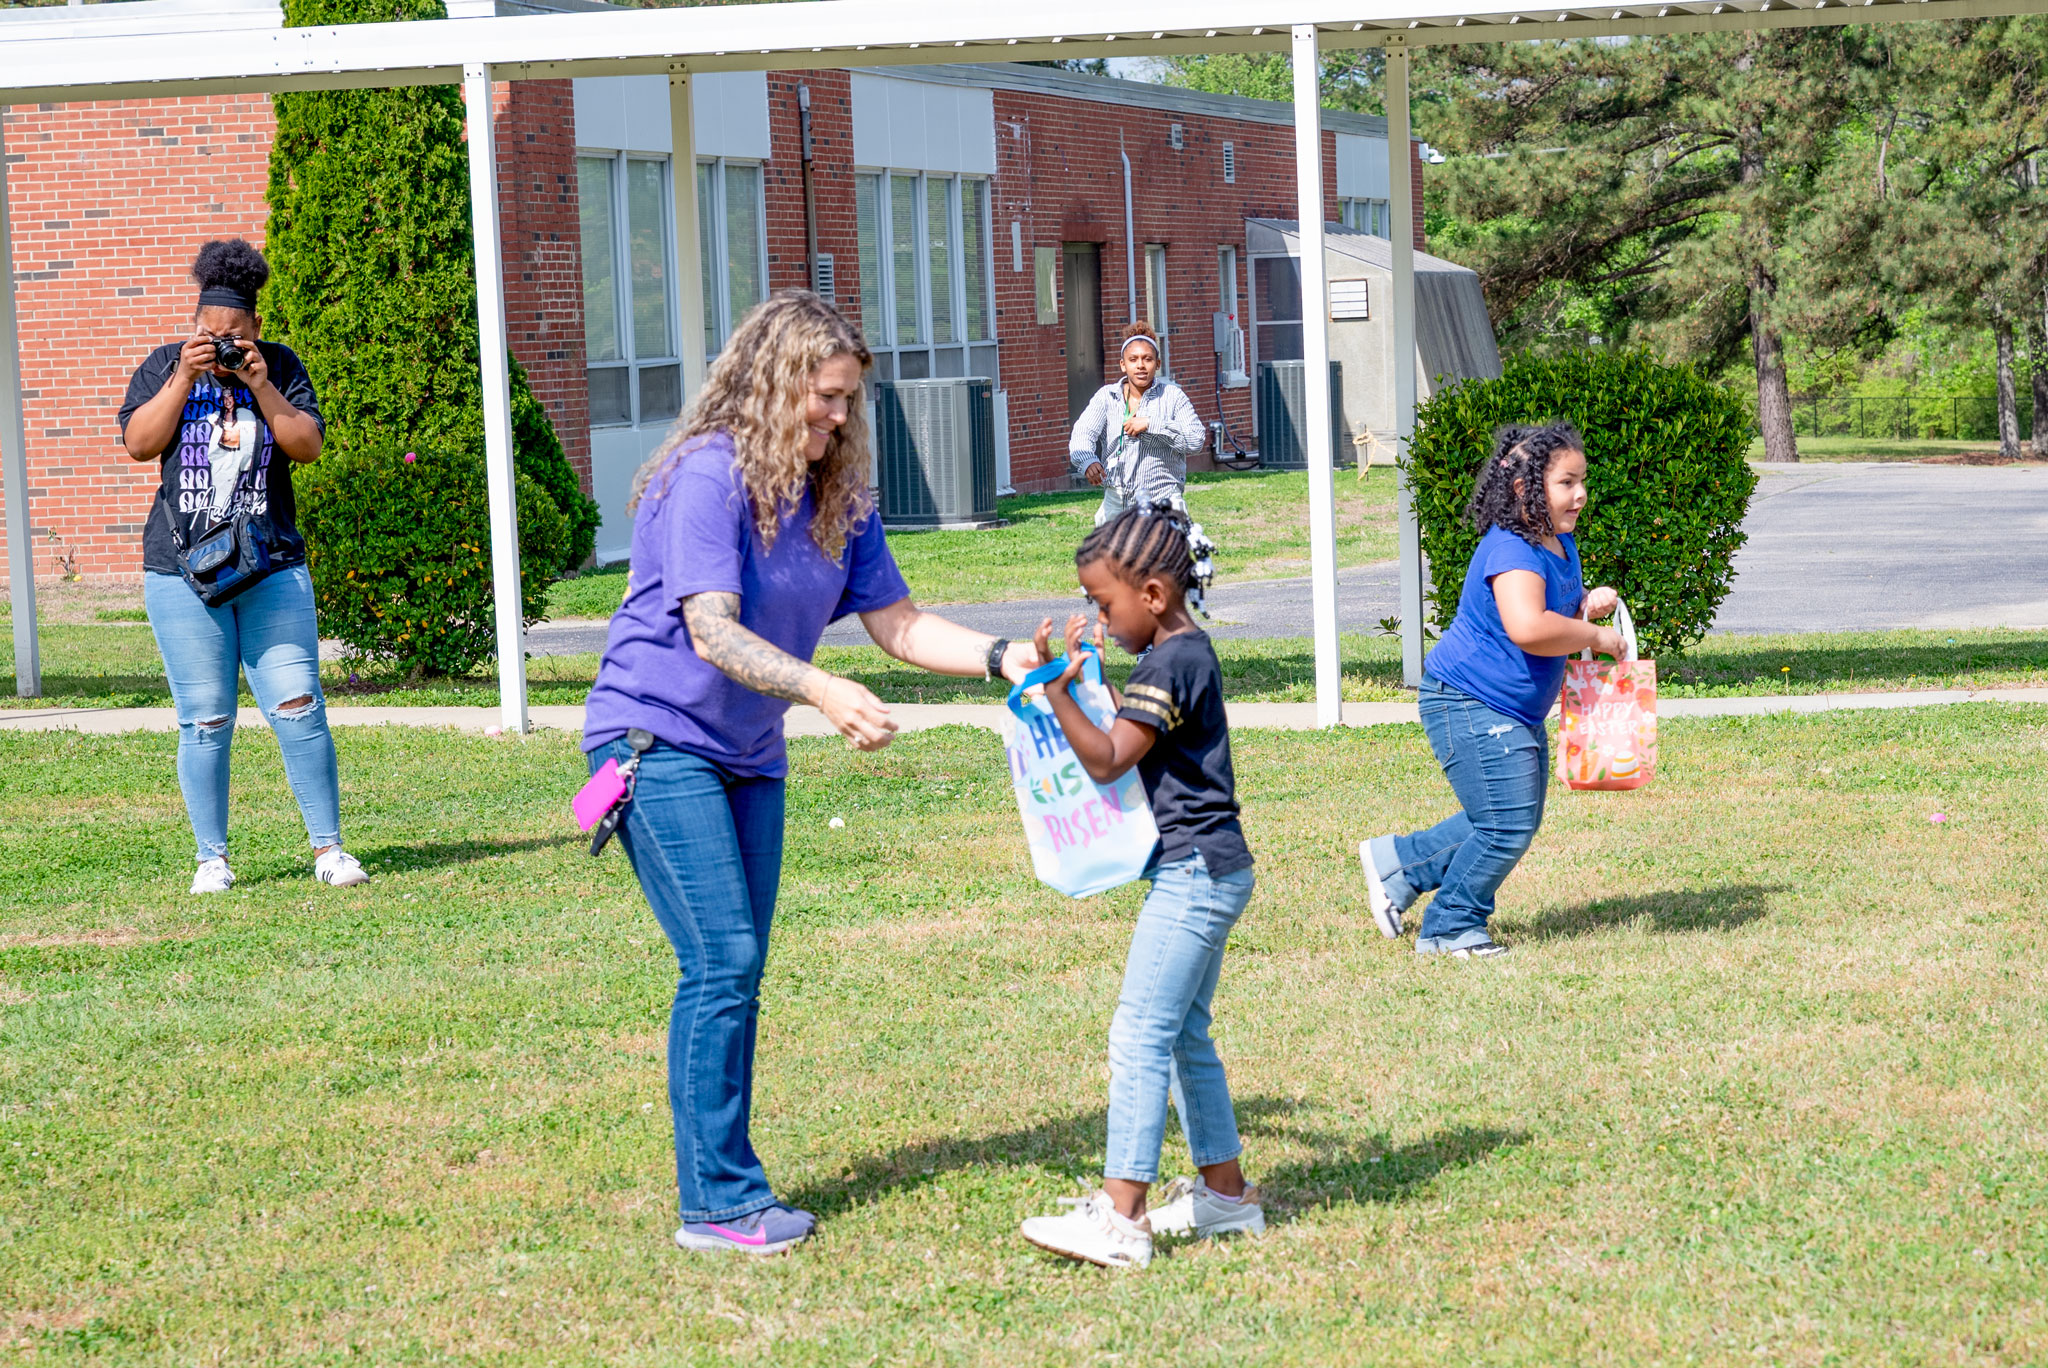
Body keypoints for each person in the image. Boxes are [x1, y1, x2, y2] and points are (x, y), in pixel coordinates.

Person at [582, 290, 1043, 1257]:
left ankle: (724, 1187)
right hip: (654, 740)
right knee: (721, 959)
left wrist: (1006, 658)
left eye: (847, 401)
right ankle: (717, 1204)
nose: (838, 416)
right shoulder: (707, 477)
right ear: (770, 382)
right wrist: (822, 691)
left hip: (748, 754)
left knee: (738, 968)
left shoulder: (838, 496)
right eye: (823, 396)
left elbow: (899, 625)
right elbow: (709, 630)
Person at [1017, 503, 1261, 1271]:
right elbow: (1138, 726)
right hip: (1216, 866)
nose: (1099, 616)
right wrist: (1086, 676)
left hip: (1194, 873)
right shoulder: (1182, 652)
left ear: (1152, 595)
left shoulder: (1168, 663)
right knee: (1184, 1033)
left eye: (1104, 603)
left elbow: (1108, 758)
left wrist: (1057, 690)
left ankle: (1122, 1218)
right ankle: (1226, 1197)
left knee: (1140, 1034)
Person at [118, 239, 368, 895]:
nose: (221, 345)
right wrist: (184, 377)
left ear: (256, 326)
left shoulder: (279, 367)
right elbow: (139, 443)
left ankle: (329, 850)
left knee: (299, 704)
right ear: (194, 324)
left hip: (271, 565)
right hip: (183, 573)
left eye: (234, 335)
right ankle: (212, 860)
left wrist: (260, 383)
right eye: (209, 333)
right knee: (205, 718)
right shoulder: (164, 366)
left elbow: (306, 446)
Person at [1356, 422, 1622, 958]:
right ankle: (1451, 926)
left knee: (1510, 818)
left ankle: (1399, 865)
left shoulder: (1558, 542)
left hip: (1510, 708)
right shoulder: (1512, 549)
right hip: (1469, 701)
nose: (1580, 494)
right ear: (1525, 488)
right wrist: (1595, 637)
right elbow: (1527, 627)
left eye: (1582, 481)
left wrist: (1584, 606)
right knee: (1506, 824)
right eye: (1567, 482)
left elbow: (1549, 612)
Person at [1069, 322, 1208, 525]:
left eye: (1147, 359)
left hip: (1163, 500)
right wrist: (1087, 461)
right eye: (1133, 359)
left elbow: (1196, 440)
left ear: (1157, 364)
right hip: (1117, 500)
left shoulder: (1173, 397)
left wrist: (1152, 424)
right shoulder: (1106, 397)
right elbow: (1083, 433)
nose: (1140, 365)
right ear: (1123, 365)